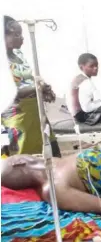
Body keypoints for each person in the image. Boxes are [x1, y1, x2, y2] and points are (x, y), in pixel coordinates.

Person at [1, 15, 61, 157]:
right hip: (17, 117)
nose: (22, 38)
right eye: (16, 34)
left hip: (35, 111)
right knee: (21, 159)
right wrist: (35, 89)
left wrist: (43, 86)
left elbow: (28, 78)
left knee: (47, 152)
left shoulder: (18, 55)